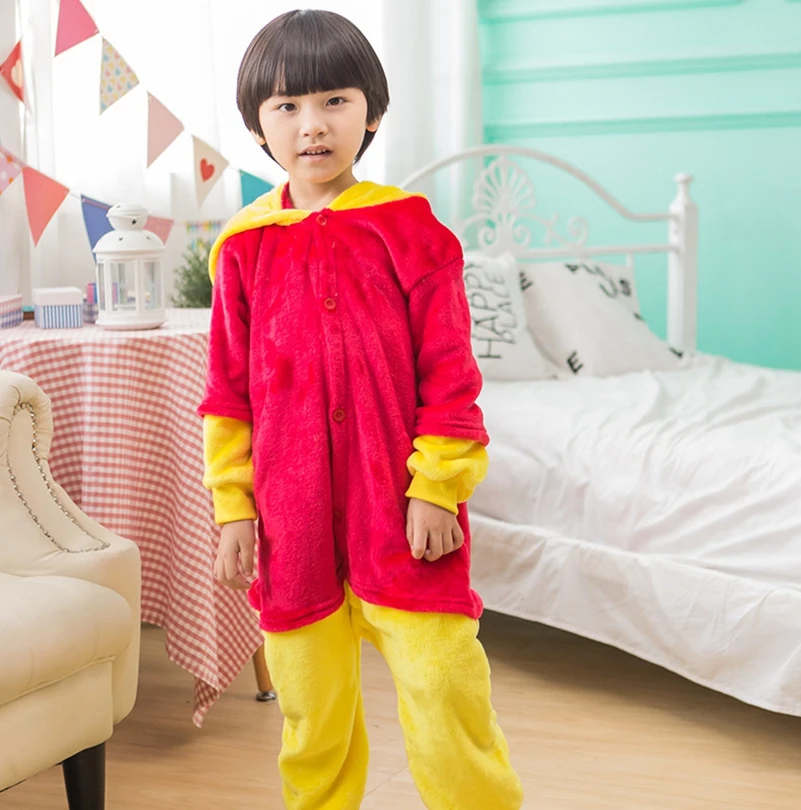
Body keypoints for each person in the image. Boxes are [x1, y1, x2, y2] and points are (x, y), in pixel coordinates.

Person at [198, 9, 523, 810]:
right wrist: (234, 508)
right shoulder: (241, 246)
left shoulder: (412, 232)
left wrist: (436, 487)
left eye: (334, 101)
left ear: (371, 112)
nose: (312, 125)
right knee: (312, 718)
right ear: (258, 127)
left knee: (445, 685)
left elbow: (451, 378)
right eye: (287, 106)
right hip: (294, 525)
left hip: (404, 516)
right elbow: (228, 393)